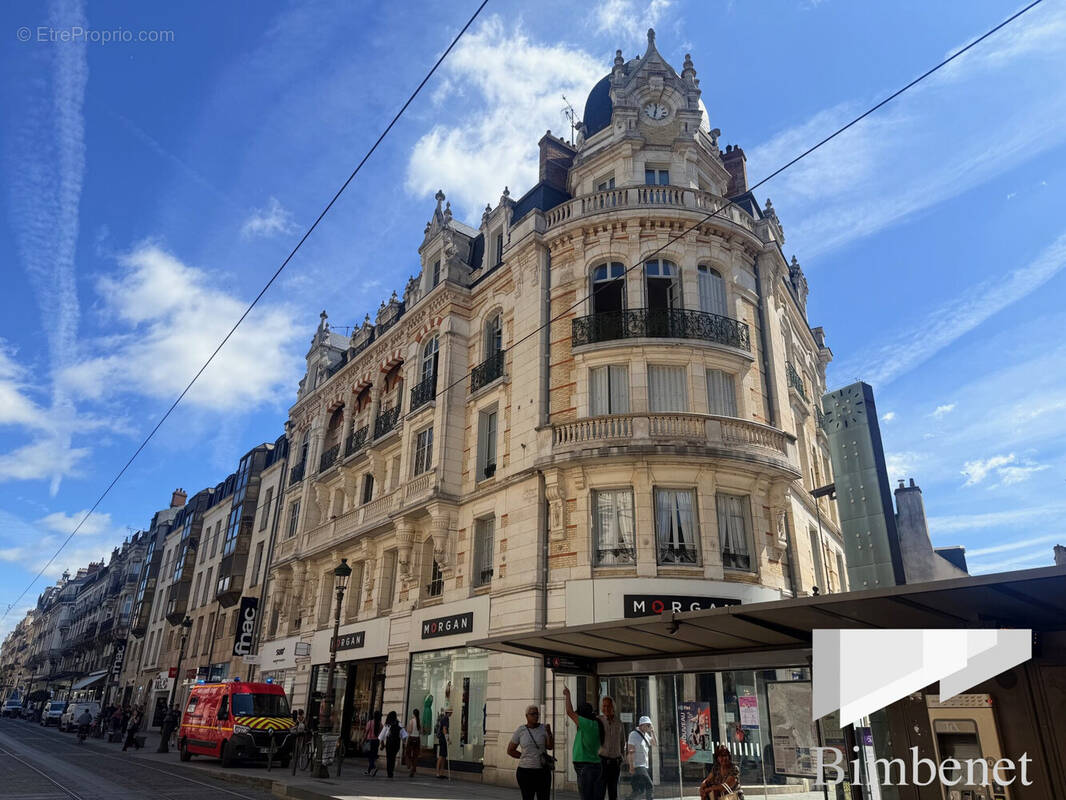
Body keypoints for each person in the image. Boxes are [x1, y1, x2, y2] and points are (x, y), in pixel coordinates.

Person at [563, 686, 604, 800]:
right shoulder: (596, 724)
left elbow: (569, 712)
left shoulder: (587, 724)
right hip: (595, 764)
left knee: (586, 797)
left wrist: (568, 695)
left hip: (586, 766)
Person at [507, 704, 554, 800]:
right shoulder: (521, 730)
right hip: (525, 772)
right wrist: (523, 756)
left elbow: (550, 747)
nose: (536, 716)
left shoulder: (543, 728)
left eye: (537, 714)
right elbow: (510, 750)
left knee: (544, 797)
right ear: (526, 716)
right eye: (533, 714)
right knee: (527, 797)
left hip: (542, 771)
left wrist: (549, 733)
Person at [598, 696, 626, 800]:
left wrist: (621, 757)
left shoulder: (619, 722)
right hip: (602, 761)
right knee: (600, 791)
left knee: (613, 792)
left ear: (613, 707)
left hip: (615, 762)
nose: (606, 708)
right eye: (604, 706)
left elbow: (623, 741)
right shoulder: (598, 720)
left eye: (608, 706)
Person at [627, 716, 656, 800]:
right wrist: (631, 766)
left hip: (644, 766)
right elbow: (630, 750)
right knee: (650, 786)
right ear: (641, 725)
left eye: (649, 725)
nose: (648, 727)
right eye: (647, 725)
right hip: (638, 765)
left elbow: (655, 743)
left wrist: (653, 732)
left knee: (639, 790)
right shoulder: (633, 735)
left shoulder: (646, 735)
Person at [381, 711, 404, 778]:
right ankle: (391, 770)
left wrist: (382, 744)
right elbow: (404, 735)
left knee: (389, 757)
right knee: (393, 757)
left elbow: (382, 736)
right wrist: (404, 742)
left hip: (389, 743)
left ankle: (389, 772)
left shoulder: (387, 724)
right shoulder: (399, 724)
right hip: (397, 743)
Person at [435, 708, 452, 779]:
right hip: (443, 739)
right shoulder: (445, 719)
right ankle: (438, 773)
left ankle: (441, 772)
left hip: (443, 739)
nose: (452, 714)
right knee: (441, 756)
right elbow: (444, 729)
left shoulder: (445, 718)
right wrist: (447, 739)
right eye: (451, 712)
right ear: (448, 713)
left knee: (444, 756)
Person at [364, 710, 381, 776]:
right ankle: (369, 771)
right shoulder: (380, 724)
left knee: (369, 756)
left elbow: (366, 732)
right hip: (376, 741)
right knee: (373, 756)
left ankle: (373, 767)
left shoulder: (370, 722)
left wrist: (363, 740)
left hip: (370, 741)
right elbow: (381, 734)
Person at [405, 708, 422, 776]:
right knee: (415, 755)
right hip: (417, 738)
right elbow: (420, 731)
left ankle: (409, 765)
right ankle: (413, 768)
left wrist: (406, 729)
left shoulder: (411, 721)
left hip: (411, 738)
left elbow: (409, 731)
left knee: (408, 752)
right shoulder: (419, 721)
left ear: (413, 714)